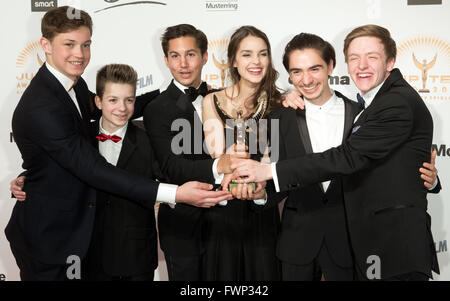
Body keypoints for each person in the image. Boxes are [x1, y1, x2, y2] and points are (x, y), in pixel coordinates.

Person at [6, 7, 231, 281]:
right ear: (45, 45)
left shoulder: (71, 85)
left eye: (85, 44)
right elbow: (94, 169)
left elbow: (113, 105)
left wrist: (174, 92)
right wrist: (176, 194)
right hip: (51, 239)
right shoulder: (41, 106)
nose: (79, 54)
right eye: (69, 44)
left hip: (80, 238)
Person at [230, 24, 441, 281]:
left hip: (353, 244)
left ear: (331, 67)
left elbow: (353, 159)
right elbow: (277, 182)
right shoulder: (281, 116)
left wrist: (429, 179)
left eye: (314, 69)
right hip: (297, 244)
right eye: (297, 71)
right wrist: (262, 194)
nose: (306, 80)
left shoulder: (362, 113)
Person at [143, 24, 243, 281]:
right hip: (183, 227)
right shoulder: (157, 109)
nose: (183, 64)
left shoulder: (227, 99)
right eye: (175, 56)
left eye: (190, 54)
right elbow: (170, 167)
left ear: (205, 56)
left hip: (228, 222)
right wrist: (217, 166)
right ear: (165, 60)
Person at [201, 25, 281, 280]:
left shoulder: (282, 103)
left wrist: (258, 184)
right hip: (223, 212)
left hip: (261, 210)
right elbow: (218, 157)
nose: (256, 61)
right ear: (233, 60)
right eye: (247, 54)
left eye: (263, 54)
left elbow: (273, 156)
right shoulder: (211, 101)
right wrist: (233, 167)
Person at [82, 64, 161, 281]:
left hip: (136, 255)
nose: (122, 108)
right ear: (98, 101)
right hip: (89, 254)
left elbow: (170, 176)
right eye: (113, 100)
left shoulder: (149, 139)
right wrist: (25, 178)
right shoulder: (80, 138)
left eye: (129, 100)